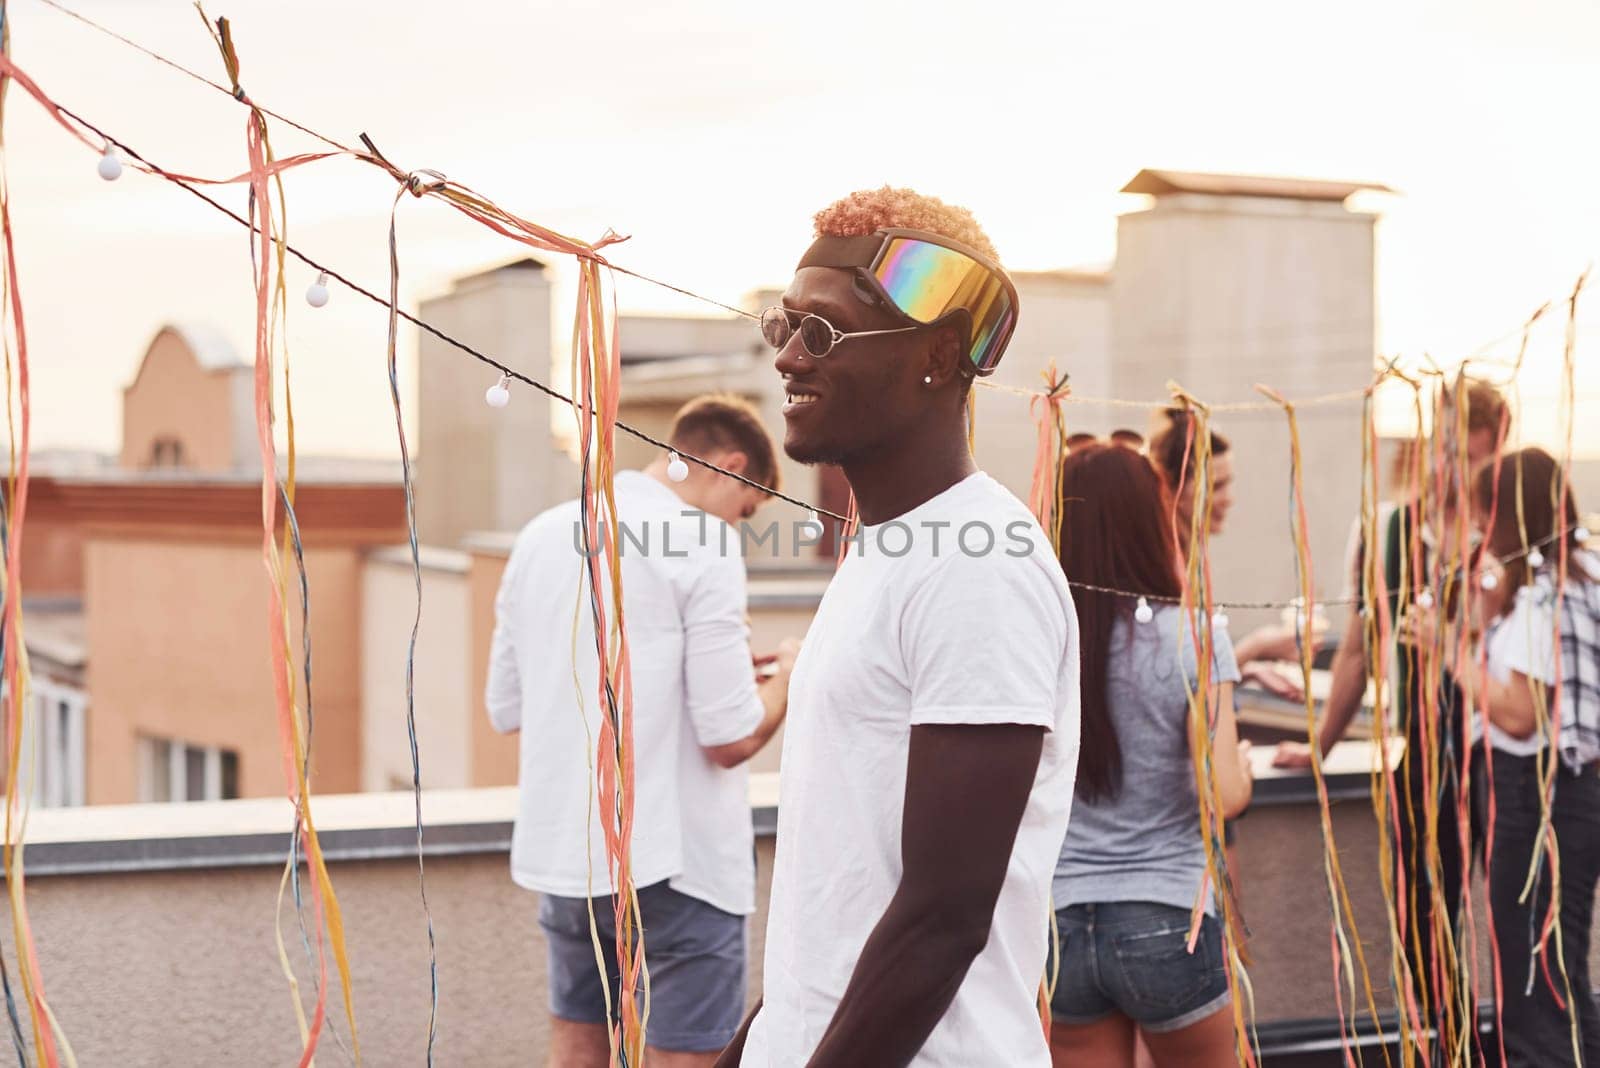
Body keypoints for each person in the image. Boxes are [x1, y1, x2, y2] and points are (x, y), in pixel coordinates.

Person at [718, 187, 1080, 1067]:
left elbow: (941, 919)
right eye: (783, 325)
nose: (789, 360)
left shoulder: (978, 563)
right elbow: (838, 906)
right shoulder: (884, 548)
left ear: (937, 357)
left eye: (824, 333)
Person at [486, 394, 799, 1068]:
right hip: (678, 864)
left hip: (570, 858)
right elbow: (731, 737)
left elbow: (506, 706)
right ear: (731, 467)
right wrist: (787, 681)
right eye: (745, 512)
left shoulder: (542, 535)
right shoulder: (705, 545)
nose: (737, 528)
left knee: (577, 1048)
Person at [1274, 376, 1511, 1063]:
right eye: (1443, 449)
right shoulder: (1383, 529)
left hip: (1506, 756)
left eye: (1468, 455)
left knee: (1510, 920)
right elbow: (1357, 650)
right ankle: (1453, 1048)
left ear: (1495, 452)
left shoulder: (1509, 536)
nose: (1450, 467)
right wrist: (1318, 747)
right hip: (1420, 759)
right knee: (1419, 923)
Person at [1047, 440, 1254, 1067]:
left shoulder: (1042, 641)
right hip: (1167, 918)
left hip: (1059, 926)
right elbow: (1227, 794)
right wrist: (1238, 758)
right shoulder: (1191, 633)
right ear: (1151, 518)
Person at [1403, 447, 1600, 1065]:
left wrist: (1445, 651)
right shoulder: (1582, 575)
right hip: (1570, 793)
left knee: (1533, 979)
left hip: (1537, 795)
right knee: (1559, 973)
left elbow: (1520, 711)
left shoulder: (1545, 593)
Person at [1147, 408, 1324, 702]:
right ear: (1171, 488)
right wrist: (1256, 646)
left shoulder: (1188, 557)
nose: (1229, 498)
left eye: (1229, 483)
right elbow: (1174, 685)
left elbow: (1195, 671)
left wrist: (1246, 667)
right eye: (1216, 486)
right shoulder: (1160, 563)